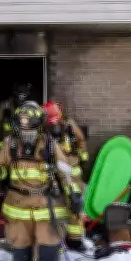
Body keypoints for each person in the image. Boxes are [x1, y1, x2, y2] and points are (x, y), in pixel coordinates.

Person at [0, 101, 78, 261]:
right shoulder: (9, 144)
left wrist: (73, 193)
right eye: (22, 127)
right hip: (18, 211)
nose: (26, 132)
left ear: (40, 126)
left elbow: (65, 172)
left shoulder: (50, 145)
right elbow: (2, 169)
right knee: (21, 256)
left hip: (47, 210)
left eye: (31, 127)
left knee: (48, 256)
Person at [42, 101, 89, 250]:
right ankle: (57, 239)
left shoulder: (69, 125)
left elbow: (81, 140)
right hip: (55, 171)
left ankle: (75, 240)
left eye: (56, 120)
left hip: (72, 168)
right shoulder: (42, 131)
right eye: (51, 122)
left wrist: (82, 157)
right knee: (57, 206)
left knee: (75, 203)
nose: (54, 125)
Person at [0, 83, 32, 150]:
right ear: (14, 95)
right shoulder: (4, 107)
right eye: (19, 97)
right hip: (4, 147)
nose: (21, 102)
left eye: (24, 99)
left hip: (20, 148)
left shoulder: (28, 109)